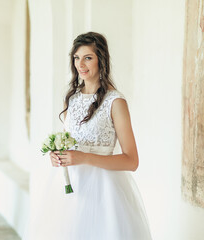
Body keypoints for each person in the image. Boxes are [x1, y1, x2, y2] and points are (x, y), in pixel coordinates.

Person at [25, 32, 152, 240]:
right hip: (70, 192)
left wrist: (84, 157)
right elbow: (69, 141)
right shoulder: (71, 100)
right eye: (76, 58)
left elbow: (132, 161)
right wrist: (57, 155)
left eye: (88, 57)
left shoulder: (115, 102)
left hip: (105, 194)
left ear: (101, 59)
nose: (80, 64)